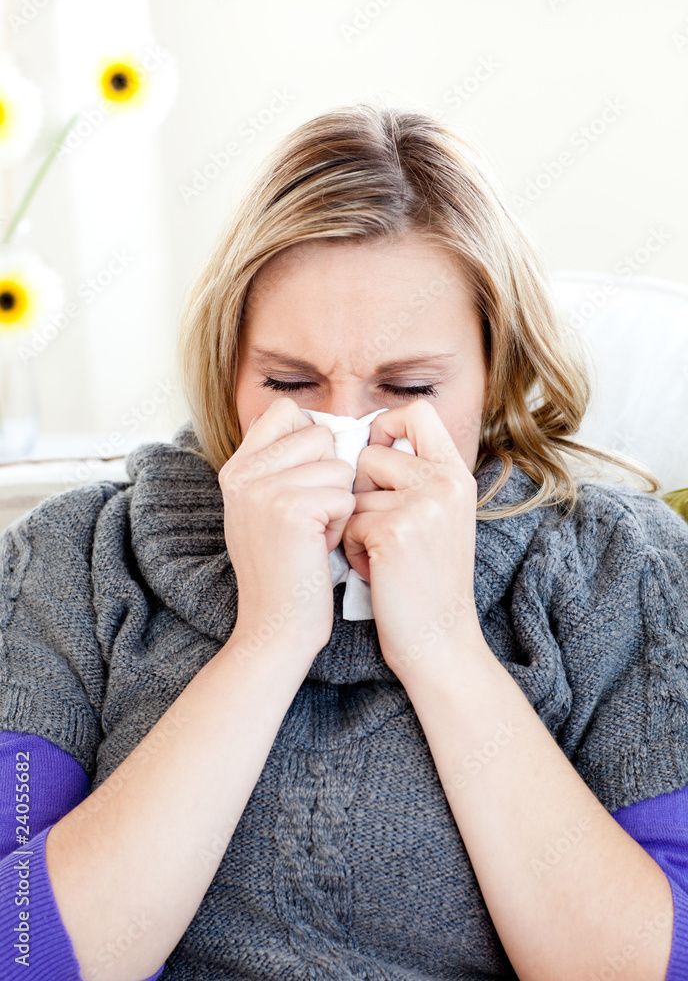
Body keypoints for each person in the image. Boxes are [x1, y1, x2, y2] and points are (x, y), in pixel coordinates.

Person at [1, 102, 687, 981]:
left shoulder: (623, 570)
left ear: (495, 372)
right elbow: (19, 952)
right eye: (289, 381)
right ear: (229, 366)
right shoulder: (72, 560)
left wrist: (442, 645)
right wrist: (268, 640)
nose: (345, 430)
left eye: (407, 385)